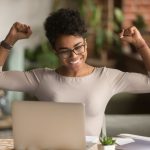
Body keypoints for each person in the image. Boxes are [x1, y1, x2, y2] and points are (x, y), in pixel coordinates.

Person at [0, 8, 150, 136]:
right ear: (55, 51)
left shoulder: (108, 78)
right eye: (64, 51)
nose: (73, 56)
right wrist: (10, 40)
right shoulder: (41, 79)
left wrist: (141, 44)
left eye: (78, 47)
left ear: (85, 43)